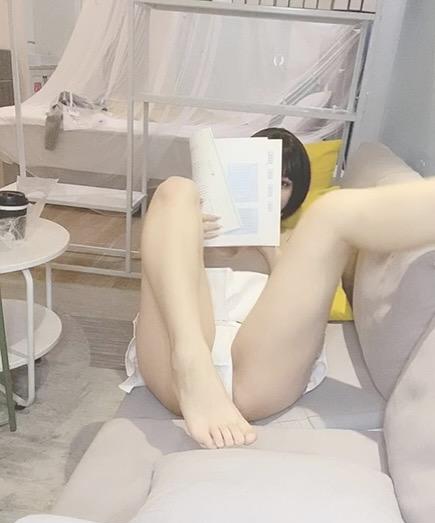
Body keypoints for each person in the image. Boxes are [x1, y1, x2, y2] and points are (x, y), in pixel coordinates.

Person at [128, 128, 435, 450]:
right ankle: (193, 366)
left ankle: (196, 371)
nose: (272, 192)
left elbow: (312, 310)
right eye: (261, 180)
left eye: (283, 184)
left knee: (331, 212)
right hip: (179, 353)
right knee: (176, 189)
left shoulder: (296, 243)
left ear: (296, 192)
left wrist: (270, 249)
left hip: (259, 367)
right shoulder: (189, 223)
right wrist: (184, 229)